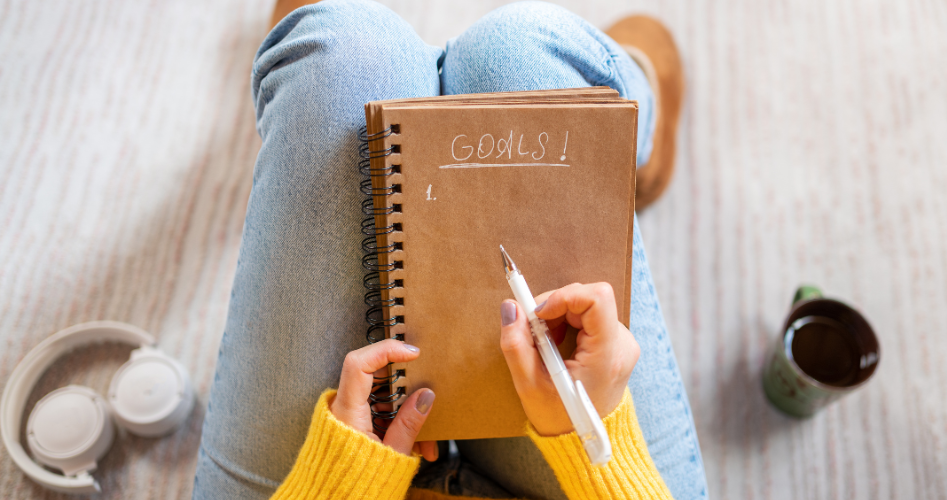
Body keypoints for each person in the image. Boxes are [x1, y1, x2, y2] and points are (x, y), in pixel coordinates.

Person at [191, 1, 706, 499]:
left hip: (329, 482)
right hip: (575, 470)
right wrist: (585, 428)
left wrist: (343, 483)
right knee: (524, 49)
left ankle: (304, 84)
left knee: (336, 51)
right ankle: (639, 132)